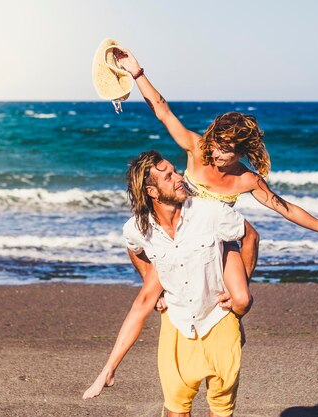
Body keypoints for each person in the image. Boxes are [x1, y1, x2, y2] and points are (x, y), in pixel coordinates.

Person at [114, 47, 318, 300]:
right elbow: (163, 111)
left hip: (215, 240)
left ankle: (237, 291)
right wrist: (137, 72)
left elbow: (285, 208)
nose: (216, 154)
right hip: (182, 230)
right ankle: (155, 293)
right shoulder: (198, 149)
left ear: (241, 152)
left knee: (248, 248)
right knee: (136, 236)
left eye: (225, 150)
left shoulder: (247, 179)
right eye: (216, 145)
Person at [83, 150, 252, 417]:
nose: (179, 177)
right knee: (176, 407)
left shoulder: (210, 213)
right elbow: (135, 252)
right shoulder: (137, 229)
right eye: (168, 176)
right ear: (151, 191)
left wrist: (241, 287)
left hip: (218, 319)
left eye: (175, 170)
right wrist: (108, 369)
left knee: (221, 408)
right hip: (178, 324)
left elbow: (249, 236)